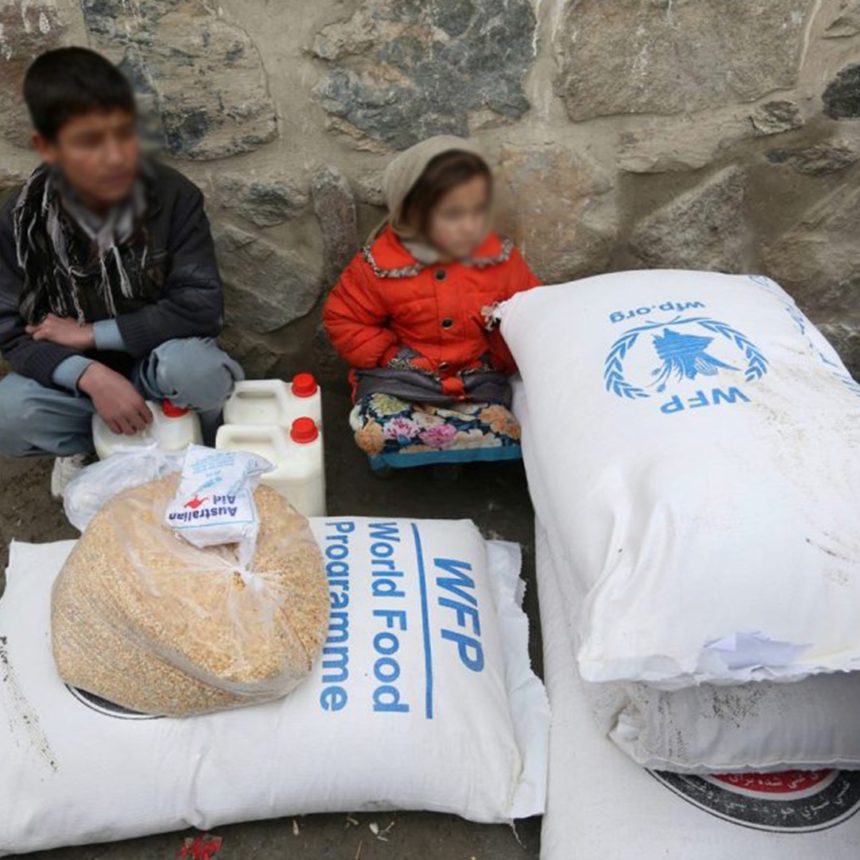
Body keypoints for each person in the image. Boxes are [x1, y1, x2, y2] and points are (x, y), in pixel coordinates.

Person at [0, 47, 242, 496]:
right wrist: (90, 374)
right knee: (9, 413)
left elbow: (201, 307)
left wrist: (91, 333)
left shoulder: (171, 196)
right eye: (90, 141)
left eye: (123, 134)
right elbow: (11, 332)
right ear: (46, 147)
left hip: (159, 368)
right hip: (79, 385)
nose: (115, 158)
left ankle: (204, 447)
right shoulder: (18, 220)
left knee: (198, 370)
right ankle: (92, 445)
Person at [324, 135, 541, 470]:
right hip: (402, 378)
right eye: (453, 214)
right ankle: (423, 449)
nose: (469, 225)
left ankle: (448, 451)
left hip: (476, 380)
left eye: (478, 212)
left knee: (513, 430)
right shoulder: (380, 265)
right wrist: (387, 355)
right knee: (382, 425)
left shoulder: (500, 260)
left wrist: (498, 352)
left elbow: (531, 313)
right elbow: (344, 318)